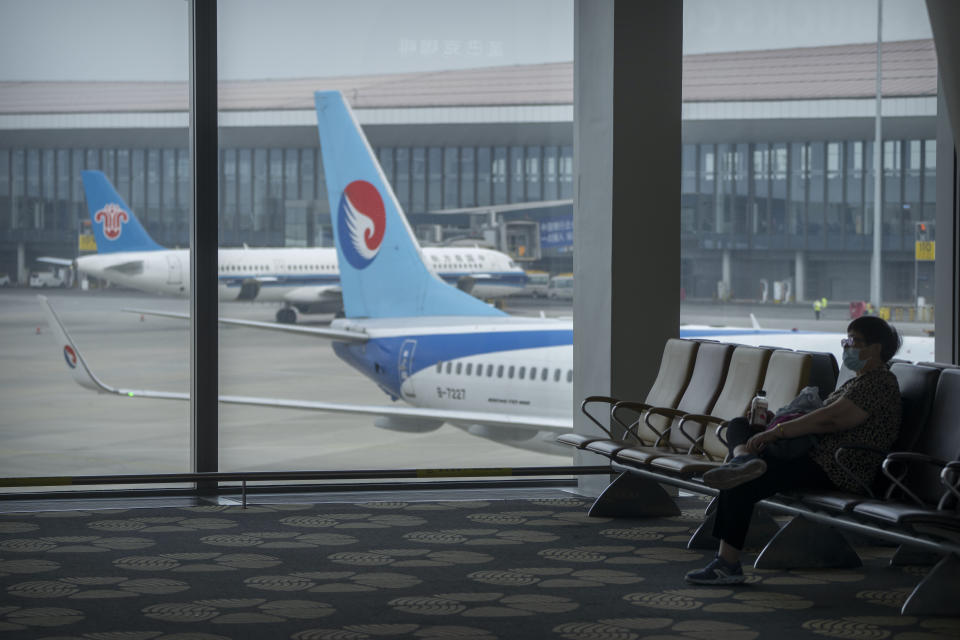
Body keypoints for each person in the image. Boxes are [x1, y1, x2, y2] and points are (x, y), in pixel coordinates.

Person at [684, 316, 903, 585]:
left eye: (854, 342)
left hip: (837, 467)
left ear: (876, 348)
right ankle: (743, 459)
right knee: (740, 425)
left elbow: (829, 420)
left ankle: (727, 563)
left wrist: (776, 432)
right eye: (845, 341)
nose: (847, 347)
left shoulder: (878, 383)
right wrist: (773, 423)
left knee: (743, 482)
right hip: (813, 456)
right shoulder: (856, 382)